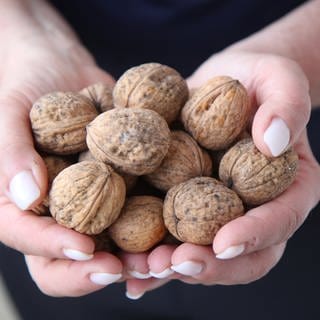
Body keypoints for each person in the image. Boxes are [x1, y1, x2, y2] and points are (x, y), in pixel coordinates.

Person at [0, 0, 319, 318]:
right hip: (67, 59)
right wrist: (22, 40)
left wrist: (293, 52)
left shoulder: (203, 148)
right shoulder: (101, 150)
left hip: (272, 101)